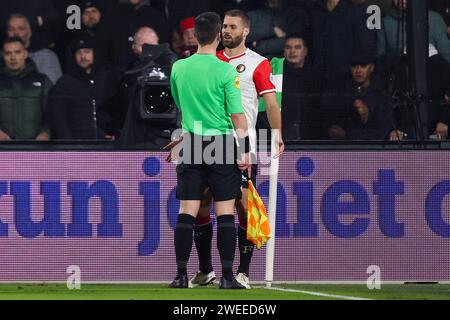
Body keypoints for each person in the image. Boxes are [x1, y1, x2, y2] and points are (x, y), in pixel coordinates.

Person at [188, 9, 284, 289]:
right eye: (224, 27)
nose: (226, 31)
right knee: (202, 204)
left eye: (232, 27)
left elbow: (272, 104)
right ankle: (206, 270)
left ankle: (242, 272)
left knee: (243, 207)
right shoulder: (209, 60)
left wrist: (277, 134)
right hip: (208, 144)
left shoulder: (258, 63)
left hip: (243, 147)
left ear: (246, 32)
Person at [168, 12, 251, 289]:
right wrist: (245, 151)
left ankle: (181, 275)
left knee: (187, 210)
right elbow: (238, 116)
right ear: (218, 36)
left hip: (191, 142)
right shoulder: (226, 70)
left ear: (195, 35)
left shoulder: (179, 67)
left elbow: (180, 104)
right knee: (225, 211)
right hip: (221, 143)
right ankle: (227, 277)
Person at [48, 38, 122, 140]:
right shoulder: (64, 83)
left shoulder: (106, 80)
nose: (83, 56)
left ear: (94, 53)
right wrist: (69, 146)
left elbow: (113, 111)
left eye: (87, 52)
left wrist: (112, 133)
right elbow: (58, 119)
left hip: (104, 145)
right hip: (76, 147)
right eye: (79, 53)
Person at [0, 37, 52, 141]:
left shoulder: (42, 81)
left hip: (37, 148)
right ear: (2, 55)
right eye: (8, 53)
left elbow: (54, 112)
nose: (13, 57)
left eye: (17, 52)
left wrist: (46, 133)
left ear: (25, 54)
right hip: (3, 148)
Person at [6, 14, 62, 84]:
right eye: (12, 29)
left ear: (29, 33)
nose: (16, 33)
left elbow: (54, 90)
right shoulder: (2, 58)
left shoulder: (46, 57)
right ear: (7, 33)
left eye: (21, 28)